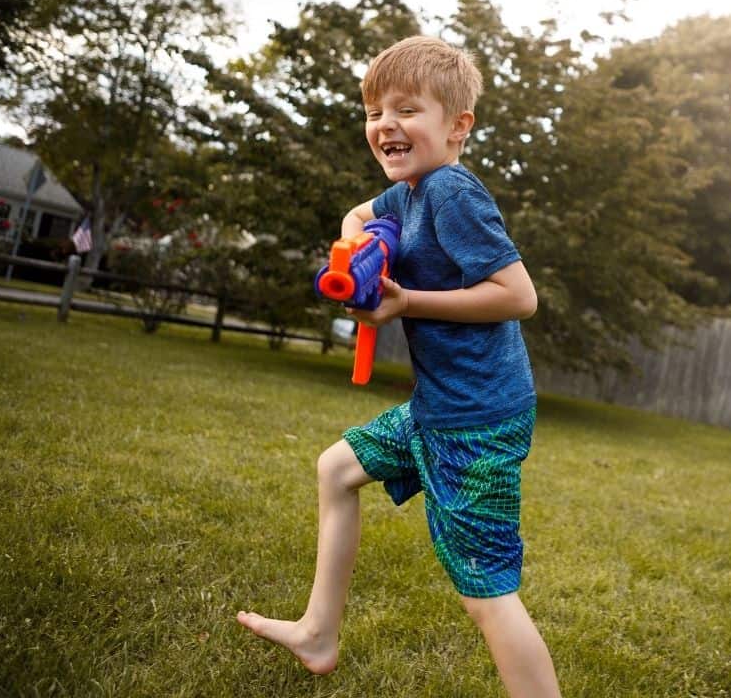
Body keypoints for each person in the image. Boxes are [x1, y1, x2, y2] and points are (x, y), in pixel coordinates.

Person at [237, 36, 561, 697]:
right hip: (437, 409)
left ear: (457, 126)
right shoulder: (409, 195)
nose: (386, 124)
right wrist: (364, 256)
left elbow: (518, 296)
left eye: (408, 108)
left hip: (475, 424)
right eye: (374, 111)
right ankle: (318, 633)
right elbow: (358, 214)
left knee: (485, 591)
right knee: (337, 468)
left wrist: (406, 298)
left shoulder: (449, 190)